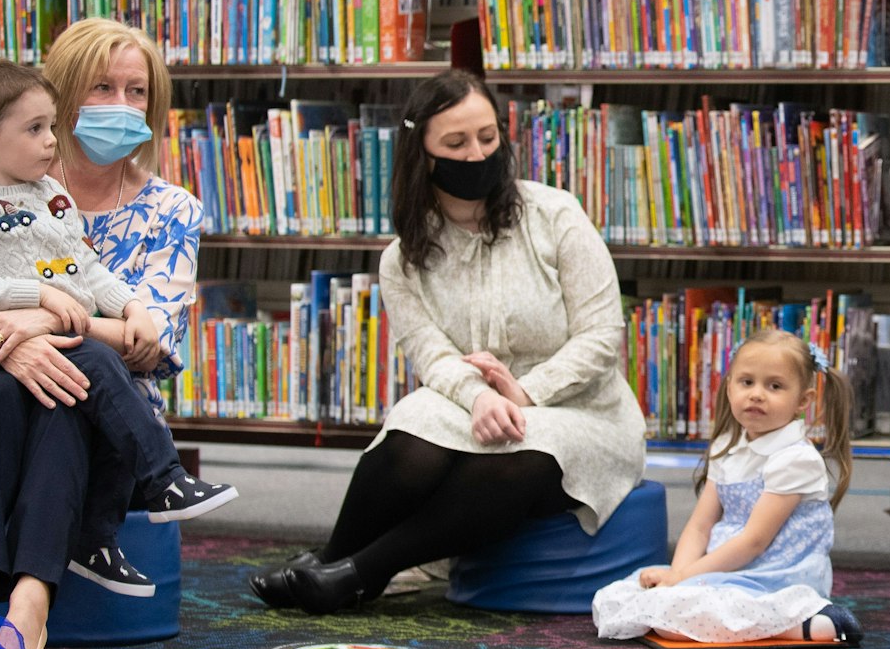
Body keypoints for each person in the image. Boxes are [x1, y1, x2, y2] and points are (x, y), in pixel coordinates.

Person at [248, 70, 647, 614]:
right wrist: (481, 397)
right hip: (474, 404)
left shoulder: (556, 215)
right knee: (412, 423)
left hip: (584, 413)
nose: (476, 154)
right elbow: (431, 356)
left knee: (519, 450)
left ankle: (363, 572)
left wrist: (524, 393)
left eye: (487, 137)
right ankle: (332, 559)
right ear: (423, 154)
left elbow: (603, 337)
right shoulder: (403, 257)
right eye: (455, 144)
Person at [0, 18, 221, 649]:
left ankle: (4, 610)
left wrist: (39, 325)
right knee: (3, 383)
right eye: (102, 87)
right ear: (59, 94)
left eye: (139, 92)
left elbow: (153, 340)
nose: (122, 106)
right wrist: (12, 345)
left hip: (104, 432)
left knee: (66, 395)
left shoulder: (170, 210)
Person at [590, 328, 862, 645]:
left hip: (773, 579)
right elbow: (700, 526)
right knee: (616, 597)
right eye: (747, 382)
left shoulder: (795, 460)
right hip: (725, 570)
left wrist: (681, 580)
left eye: (774, 386)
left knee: (669, 621)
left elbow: (753, 542)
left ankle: (805, 622)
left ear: (803, 400)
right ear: (730, 387)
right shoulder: (727, 448)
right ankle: (748, 619)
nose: (757, 394)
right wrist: (677, 577)